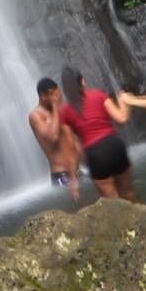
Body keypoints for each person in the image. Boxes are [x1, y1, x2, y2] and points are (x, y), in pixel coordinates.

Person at [59, 69, 136, 200]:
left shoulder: (65, 112)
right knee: (127, 191)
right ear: (82, 81)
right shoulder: (99, 95)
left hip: (95, 153)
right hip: (115, 144)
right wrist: (123, 102)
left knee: (111, 201)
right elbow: (122, 118)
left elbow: (71, 148)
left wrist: (73, 180)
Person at [28, 77, 81, 200]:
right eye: (53, 94)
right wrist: (55, 105)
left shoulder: (60, 109)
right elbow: (53, 137)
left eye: (58, 93)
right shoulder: (35, 115)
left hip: (76, 171)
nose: (57, 97)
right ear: (43, 95)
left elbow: (72, 142)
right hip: (61, 176)